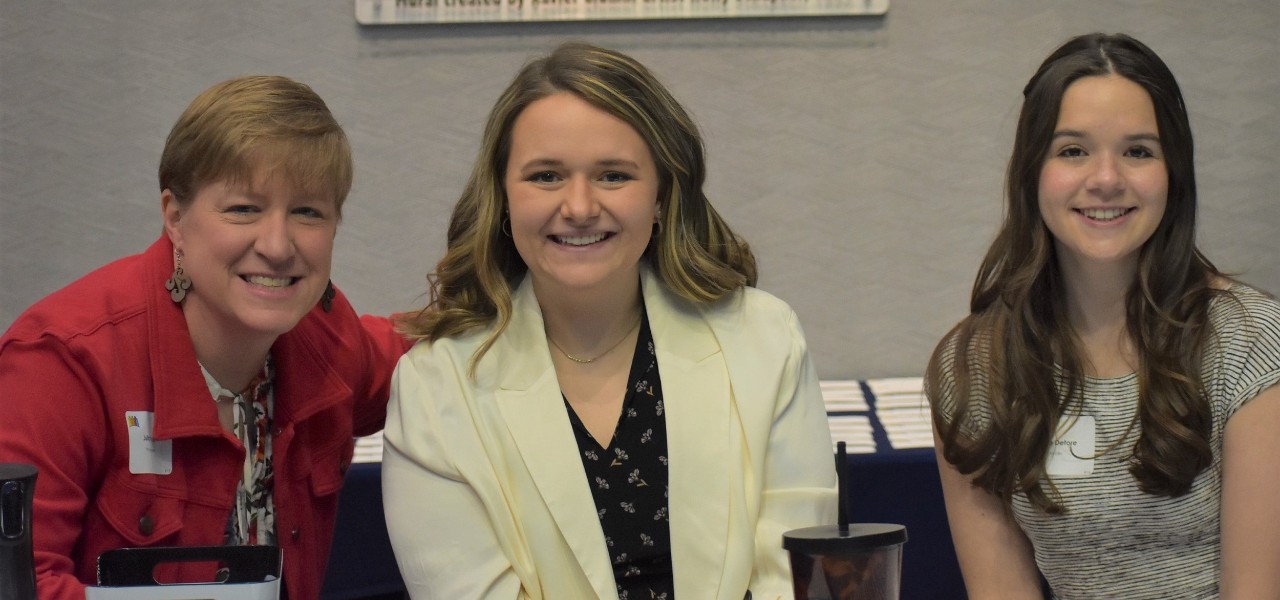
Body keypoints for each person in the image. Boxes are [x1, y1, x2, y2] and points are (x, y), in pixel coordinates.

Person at [382, 41, 837, 599]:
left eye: (613, 176)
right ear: (503, 197)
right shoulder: (435, 386)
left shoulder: (765, 339)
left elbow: (794, 577)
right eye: (546, 176)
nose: (578, 207)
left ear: (663, 194)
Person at [0, 75, 412, 600]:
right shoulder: (62, 361)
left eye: (308, 212)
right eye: (243, 209)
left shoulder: (327, 339)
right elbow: (21, 585)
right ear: (175, 218)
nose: (278, 245)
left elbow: (436, 353)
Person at [925, 32, 1280, 599]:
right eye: (1073, 150)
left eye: (1138, 151)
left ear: (1174, 173)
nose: (1107, 178)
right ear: (1031, 172)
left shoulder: (1252, 344)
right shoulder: (974, 368)